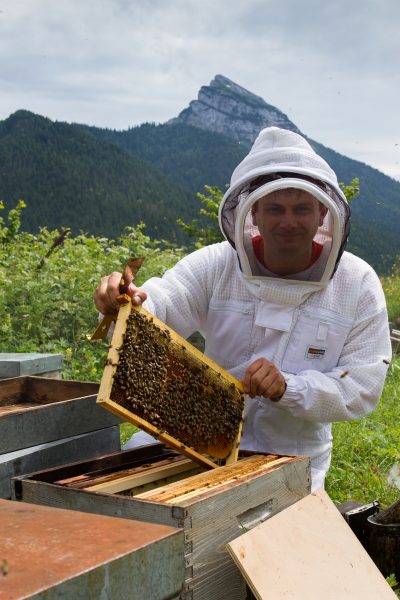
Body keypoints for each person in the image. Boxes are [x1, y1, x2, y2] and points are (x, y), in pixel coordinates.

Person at [94, 127, 391, 491]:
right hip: (192, 437)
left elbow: (362, 386)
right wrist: (125, 304)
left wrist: (289, 388)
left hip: (292, 455)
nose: (288, 222)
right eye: (275, 209)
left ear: (322, 215)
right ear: (253, 215)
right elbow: (163, 304)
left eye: (301, 209)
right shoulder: (216, 264)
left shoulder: (356, 283)